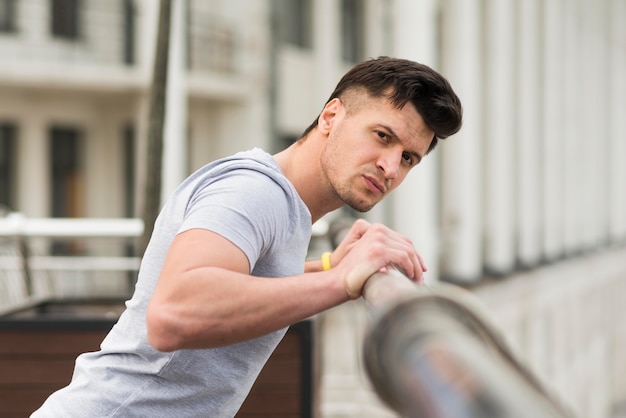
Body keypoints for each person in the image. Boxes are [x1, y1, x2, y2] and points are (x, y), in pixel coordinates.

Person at [31, 56, 462, 417]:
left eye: (407, 158)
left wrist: (332, 265)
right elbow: (174, 313)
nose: (390, 167)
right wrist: (339, 282)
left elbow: (245, 278)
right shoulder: (256, 191)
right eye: (382, 136)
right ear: (331, 116)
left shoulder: (287, 204)